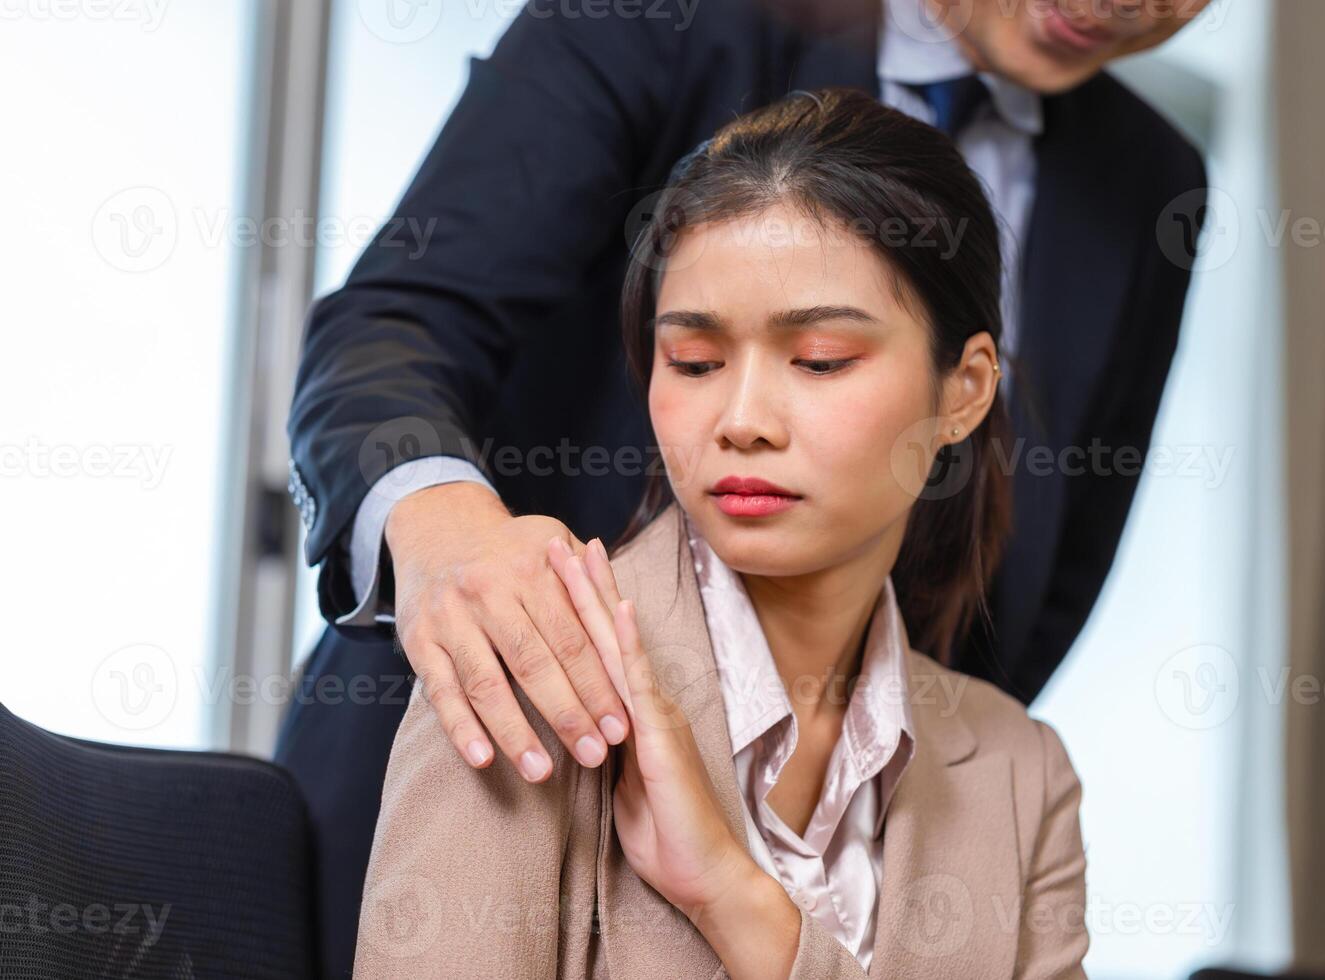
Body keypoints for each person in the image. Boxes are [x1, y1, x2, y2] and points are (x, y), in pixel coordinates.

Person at [279, 0, 1208, 973]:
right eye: (693, 358)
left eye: (821, 355)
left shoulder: (1149, 181)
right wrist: (446, 531)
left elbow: (1050, 571)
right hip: (519, 734)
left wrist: (846, 836)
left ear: (969, 390)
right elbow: (401, 322)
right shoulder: (658, 19)